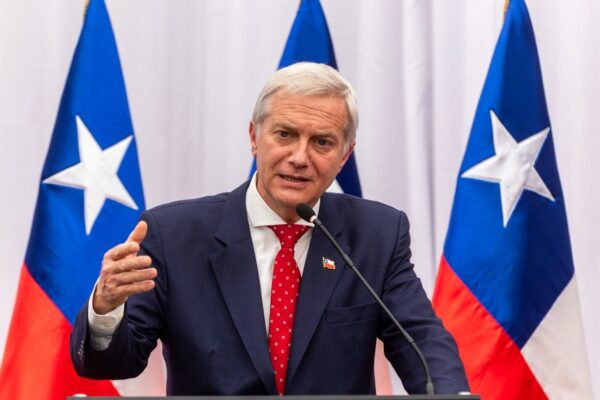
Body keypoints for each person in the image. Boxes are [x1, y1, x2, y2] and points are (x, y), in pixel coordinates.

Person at [71, 62, 468, 395]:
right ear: (254, 137)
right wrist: (106, 308)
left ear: (345, 156)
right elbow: (114, 363)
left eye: (322, 142)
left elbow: (421, 341)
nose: (299, 157)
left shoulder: (377, 234)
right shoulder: (173, 235)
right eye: (285, 134)